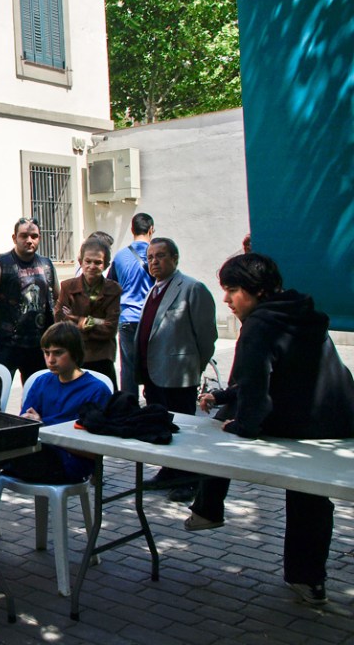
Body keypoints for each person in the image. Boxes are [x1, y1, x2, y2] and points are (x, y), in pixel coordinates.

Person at [186, 253, 354, 605]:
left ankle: (208, 507)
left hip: (304, 424)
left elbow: (256, 394)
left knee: (221, 428)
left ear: (257, 290)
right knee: (311, 495)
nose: (226, 299)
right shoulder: (300, 312)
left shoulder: (260, 324)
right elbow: (278, 375)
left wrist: (240, 426)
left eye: (232, 290)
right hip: (336, 419)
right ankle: (309, 580)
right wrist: (222, 395)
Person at [136, 237, 216, 501]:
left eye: (160, 256)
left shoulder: (192, 288)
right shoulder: (153, 290)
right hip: (153, 374)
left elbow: (206, 336)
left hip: (178, 374)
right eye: (150, 257)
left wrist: (195, 366)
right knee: (162, 425)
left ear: (174, 258)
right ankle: (169, 471)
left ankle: (189, 480)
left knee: (183, 428)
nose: (154, 262)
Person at [1, 322, 112, 484]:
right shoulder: (41, 381)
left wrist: (44, 429)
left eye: (58, 353)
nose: (51, 360)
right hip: (36, 452)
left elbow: (94, 450)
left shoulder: (96, 390)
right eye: (46, 353)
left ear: (74, 352)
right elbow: (26, 425)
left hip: (70, 461)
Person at [0, 217, 60, 384]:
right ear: (14, 238)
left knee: (38, 392)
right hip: (5, 343)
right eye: (24, 236)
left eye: (34, 236)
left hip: (38, 344)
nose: (29, 240)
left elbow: (58, 298)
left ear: (39, 238)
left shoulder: (46, 265)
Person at [55, 238, 121, 389]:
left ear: (106, 265)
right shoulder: (67, 287)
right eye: (88, 261)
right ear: (80, 262)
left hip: (102, 356)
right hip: (74, 355)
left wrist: (76, 319)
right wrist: (98, 321)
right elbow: (59, 323)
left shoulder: (113, 289)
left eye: (98, 262)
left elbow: (110, 328)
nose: (92, 266)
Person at [107, 213, 155, 397]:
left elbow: (111, 285)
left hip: (127, 317)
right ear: (151, 229)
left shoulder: (120, 256)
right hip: (150, 319)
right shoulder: (155, 254)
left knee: (128, 367)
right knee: (152, 364)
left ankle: (129, 404)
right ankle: (154, 403)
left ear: (132, 230)